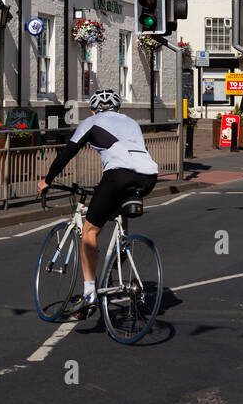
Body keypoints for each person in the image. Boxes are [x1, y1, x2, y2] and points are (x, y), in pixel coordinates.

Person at [36, 90, 158, 314]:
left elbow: (67, 154)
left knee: (90, 231)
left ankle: (89, 293)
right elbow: (136, 156)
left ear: (93, 110)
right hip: (149, 176)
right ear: (118, 109)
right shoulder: (132, 122)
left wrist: (47, 180)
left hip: (118, 175)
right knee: (118, 209)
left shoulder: (91, 122)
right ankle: (120, 252)